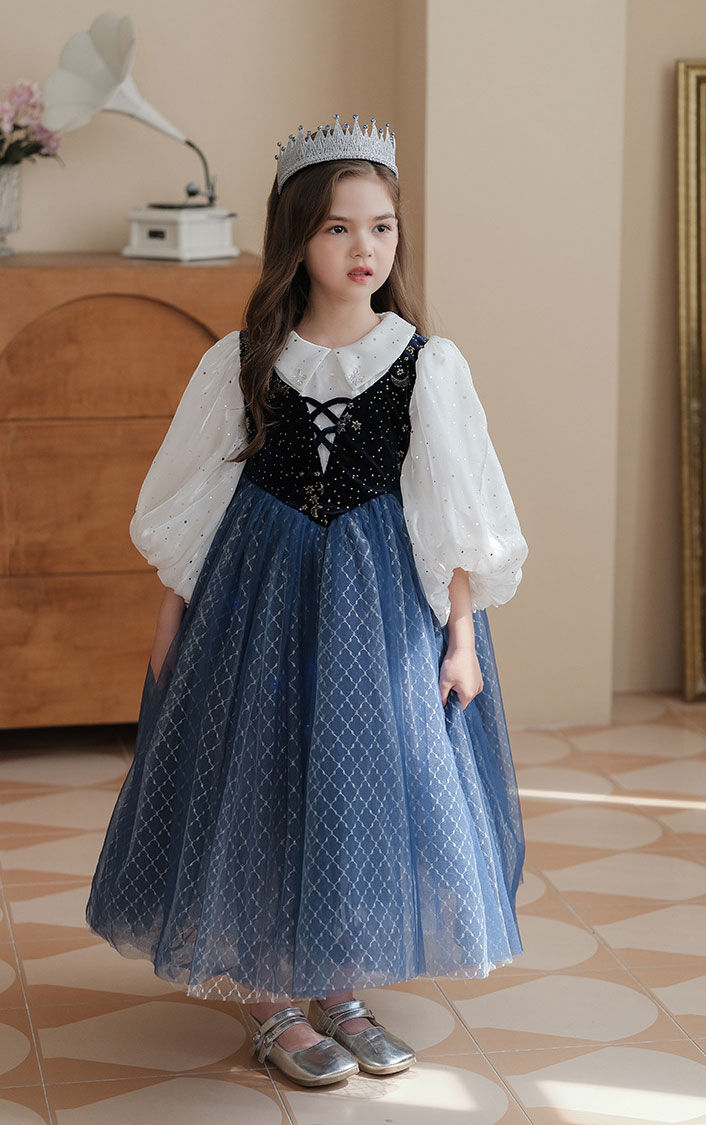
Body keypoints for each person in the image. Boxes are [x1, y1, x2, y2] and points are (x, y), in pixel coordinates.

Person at [85, 112, 529, 1089]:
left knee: (359, 785)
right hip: (257, 599)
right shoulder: (245, 357)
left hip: (381, 611)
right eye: (338, 228)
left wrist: (460, 638)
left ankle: (339, 985)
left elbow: (454, 513)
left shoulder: (425, 364)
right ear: (299, 237)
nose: (364, 248)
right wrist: (171, 617)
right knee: (260, 777)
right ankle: (270, 998)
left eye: (381, 227)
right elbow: (196, 498)